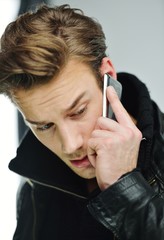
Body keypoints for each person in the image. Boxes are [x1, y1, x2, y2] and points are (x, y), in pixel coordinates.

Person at [0, 4, 164, 240]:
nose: (70, 145)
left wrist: (124, 189)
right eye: (44, 126)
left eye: (77, 112)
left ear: (107, 74)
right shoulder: (36, 188)